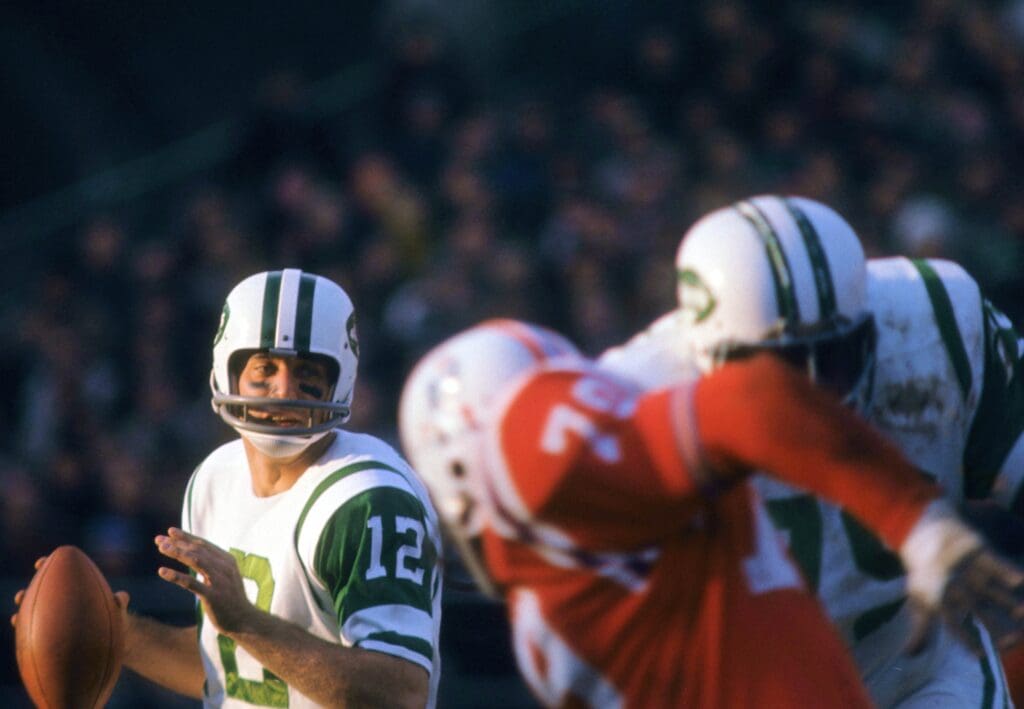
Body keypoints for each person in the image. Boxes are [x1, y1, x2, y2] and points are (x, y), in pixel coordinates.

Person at [398, 317, 1024, 708]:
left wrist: (913, 520)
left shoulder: (523, 448)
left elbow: (753, 395)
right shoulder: (544, 611)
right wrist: (920, 525)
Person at [599, 194, 1024, 706]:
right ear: (707, 355)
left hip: (918, 674)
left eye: (834, 355)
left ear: (868, 328)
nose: (812, 395)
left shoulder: (931, 326)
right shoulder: (630, 411)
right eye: (782, 371)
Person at [15, 269, 443, 708]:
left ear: (341, 377)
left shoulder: (369, 498)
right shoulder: (215, 478)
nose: (283, 390)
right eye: (264, 369)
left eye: (307, 372)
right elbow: (236, 672)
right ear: (228, 367)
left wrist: (247, 623)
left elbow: (400, 692)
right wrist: (120, 634)